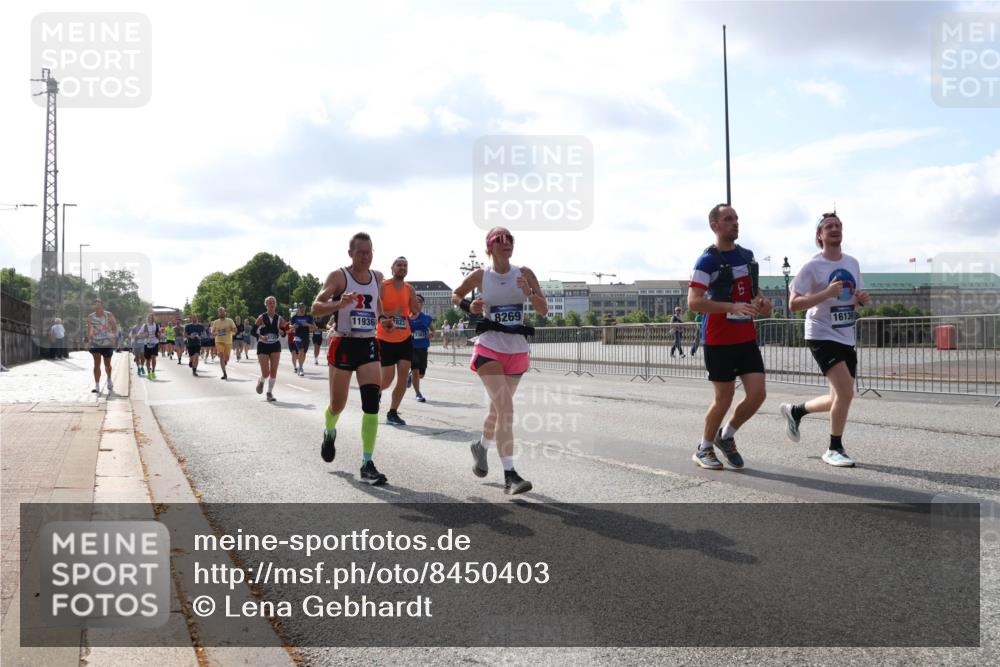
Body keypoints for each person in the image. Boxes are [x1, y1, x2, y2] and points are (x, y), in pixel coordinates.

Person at [453, 226, 545, 495]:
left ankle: (480, 446)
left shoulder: (524, 273)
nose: (506, 243)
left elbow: (543, 310)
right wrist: (467, 307)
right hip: (489, 347)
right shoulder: (481, 275)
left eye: (510, 239)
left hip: (516, 349)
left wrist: (528, 292)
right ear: (489, 247)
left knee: (497, 411)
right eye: (499, 240)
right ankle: (511, 475)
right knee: (505, 410)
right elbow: (456, 294)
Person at [780, 212, 871, 468]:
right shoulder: (812, 266)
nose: (835, 229)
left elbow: (853, 298)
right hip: (821, 333)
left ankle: (796, 411)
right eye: (829, 226)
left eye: (838, 225)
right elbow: (794, 305)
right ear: (819, 235)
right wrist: (826, 293)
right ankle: (834, 448)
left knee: (838, 398)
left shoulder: (852, 262)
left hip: (846, 334)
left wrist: (862, 300)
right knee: (846, 391)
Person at [687, 203, 773, 470]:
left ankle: (727, 436)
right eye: (728, 219)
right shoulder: (707, 261)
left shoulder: (747, 257)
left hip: (746, 336)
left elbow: (751, 293)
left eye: (736, 218)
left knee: (758, 395)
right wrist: (731, 307)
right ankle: (704, 448)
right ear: (715, 225)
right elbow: (694, 302)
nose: (735, 223)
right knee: (723, 398)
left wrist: (763, 304)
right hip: (718, 339)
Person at [311, 232, 388, 485]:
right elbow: (315, 307)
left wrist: (383, 320)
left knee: (371, 403)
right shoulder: (339, 276)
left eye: (369, 252)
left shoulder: (378, 277)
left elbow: (378, 308)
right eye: (361, 252)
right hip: (343, 342)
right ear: (350, 253)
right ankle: (329, 431)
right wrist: (337, 304)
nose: (366, 257)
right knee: (338, 405)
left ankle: (367, 463)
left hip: (367, 343)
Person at [376, 256, 422, 425]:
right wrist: (390, 314)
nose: (402, 268)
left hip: (404, 337)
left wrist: (416, 305)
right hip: (385, 337)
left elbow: (414, 310)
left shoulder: (409, 288)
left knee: (402, 377)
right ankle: (376, 393)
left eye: (405, 265)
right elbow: (376, 308)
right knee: (387, 379)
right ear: (392, 268)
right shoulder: (383, 286)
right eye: (399, 265)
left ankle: (392, 412)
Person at [254, 296, 286, 402]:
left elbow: (284, 331)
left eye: (273, 303)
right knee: (266, 373)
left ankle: (269, 392)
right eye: (269, 303)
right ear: (266, 305)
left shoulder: (279, 318)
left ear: (275, 304)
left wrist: (284, 331)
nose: (271, 305)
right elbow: (253, 331)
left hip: (275, 345)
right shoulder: (261, 317)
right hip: (263, 345)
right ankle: (261, 380)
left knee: (274, 370)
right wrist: (261, 337)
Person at [86, 298, 119, 393]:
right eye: (95, 306)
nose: (97, 307)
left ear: (102, 306)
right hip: (95, 343)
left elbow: (114, 326)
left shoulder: (108, 315)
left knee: (107, 364)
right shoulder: (90, 316)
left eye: (99, 305)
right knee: (96, 363)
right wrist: (88, 341)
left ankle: (109, 379)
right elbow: (89, 329)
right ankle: (97, 385)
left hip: (107, 343)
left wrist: (113, 337)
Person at [407, 295, 434, 402]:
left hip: (423, 347)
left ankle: (410, 377)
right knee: (416, 371)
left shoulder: (426, 317)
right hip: (411, 347)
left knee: (421, 374)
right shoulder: (406, 317)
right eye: (414, 301)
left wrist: (431, 334)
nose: (416, 303)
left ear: (422, 304)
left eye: (419, 301)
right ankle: (418, 394)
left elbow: (433, 330)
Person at [289, 303, 318, 376]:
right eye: (300, 307)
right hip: (297, 337)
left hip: (306, 337)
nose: (302, 309)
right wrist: (293, 326)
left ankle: (300, 366)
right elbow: (290, 326)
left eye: (303, 307)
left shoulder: (309, 317)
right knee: (301, 350)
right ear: (298, 308)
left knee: (304, 354)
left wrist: (307, 324)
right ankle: (301, 368)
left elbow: (315, 328)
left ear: (305, 308)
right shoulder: (294, 317)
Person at [210, 307, 236, 380]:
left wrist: (233, 330)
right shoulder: (216, 322)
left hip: (228, 341)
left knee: (226, 358)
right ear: (218, 314)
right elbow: (212, 332)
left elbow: (234, 330)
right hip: (219, 341)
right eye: (220, 312)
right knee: (221, 355)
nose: (221, 313)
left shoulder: (230, 320)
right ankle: (224, 373)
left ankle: (225, 362)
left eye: (223, 312)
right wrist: (216, 333)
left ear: (225, 312)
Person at [141, 314, 160, 380]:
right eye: (148, 318)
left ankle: (153, 372)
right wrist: (144, 335)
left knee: (153, 357)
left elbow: (159, 333)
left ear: (153, 319)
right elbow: (140, 334)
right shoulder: (145, 326)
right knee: (148, 360)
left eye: (151, 318)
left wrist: (158, 335)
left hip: (155, 343)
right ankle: (149, 373)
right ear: (147, 319)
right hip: (147, 343)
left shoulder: (157, 325)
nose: (150, 319)